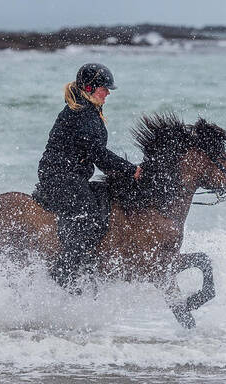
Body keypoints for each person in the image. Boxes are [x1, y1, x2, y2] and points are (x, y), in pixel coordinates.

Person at [37, 63, 142, 290]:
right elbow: (98, 155)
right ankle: (64, 272)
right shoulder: (82, 114)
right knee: (89, 215)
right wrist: (131, 169)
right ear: (89, 88)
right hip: (59, 176)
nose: (108, 93)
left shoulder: (90, 110)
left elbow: (97, 154)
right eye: (104, 88)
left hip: (73, 175)